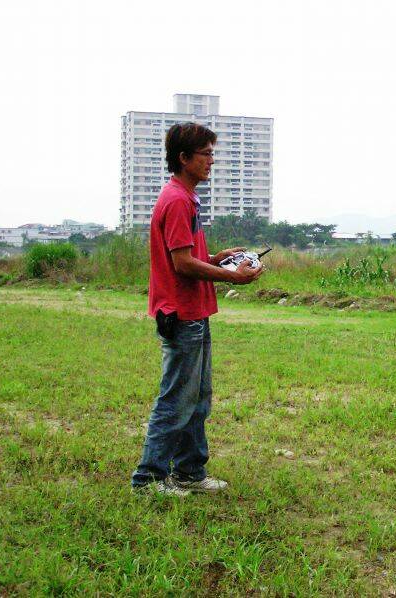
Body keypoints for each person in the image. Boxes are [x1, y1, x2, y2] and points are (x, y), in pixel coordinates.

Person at [131, 122, 262, 495]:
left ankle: (190, 471)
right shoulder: (176, 200)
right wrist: (232, 277)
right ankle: (149, 478)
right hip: (181, 314)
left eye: (212, 153)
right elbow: (181, 265)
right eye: (205, 154)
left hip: (195, 311)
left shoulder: (186, 198)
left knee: (198, 400)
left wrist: (217, 258)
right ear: (184, 158)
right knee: (176, 399)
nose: (211, 161)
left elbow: (189, 256)